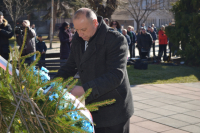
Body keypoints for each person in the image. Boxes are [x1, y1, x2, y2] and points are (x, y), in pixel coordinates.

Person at [53, 8, 133, 133]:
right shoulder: (78, 39)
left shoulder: (116, 40)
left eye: (83, 29)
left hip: (115, 111)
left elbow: (115, 76)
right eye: (77, 30)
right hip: (93, 108)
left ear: (95, 23)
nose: (79, 34)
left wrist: (83, 90)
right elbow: (70, 66)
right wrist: (53, 84)